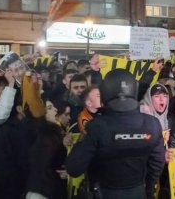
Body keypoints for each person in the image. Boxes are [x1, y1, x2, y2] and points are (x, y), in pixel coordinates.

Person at [66, 69, 165, 199]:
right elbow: (157, 162)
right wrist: (148, 187)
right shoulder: (152, 123)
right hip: (138, 191)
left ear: (104, 93)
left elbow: (74, 168)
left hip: (103, 192)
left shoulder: (96, 126)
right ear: (134, 90)